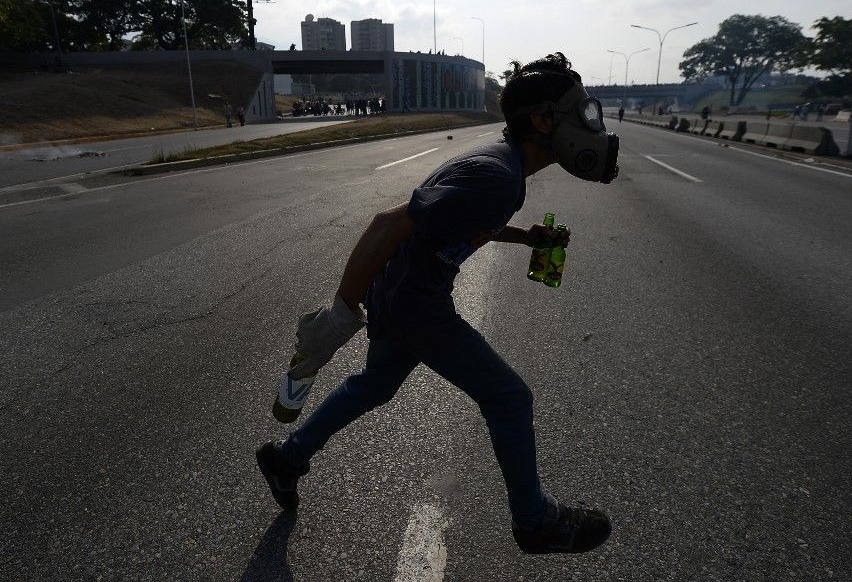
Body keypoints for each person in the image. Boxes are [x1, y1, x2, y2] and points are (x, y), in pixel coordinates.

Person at [256, 52, 618, 555]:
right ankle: (534, 522)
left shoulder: (504, 167)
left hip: (400, 293)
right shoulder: (496, 174)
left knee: (373, 387)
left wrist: (526, 238)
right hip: (416, 303)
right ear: (541, 120)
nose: (589, 124)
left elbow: (462, 223)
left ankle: (287, 459)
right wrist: (340, 313)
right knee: (510, 398)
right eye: (580, 112)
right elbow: (388, 223)